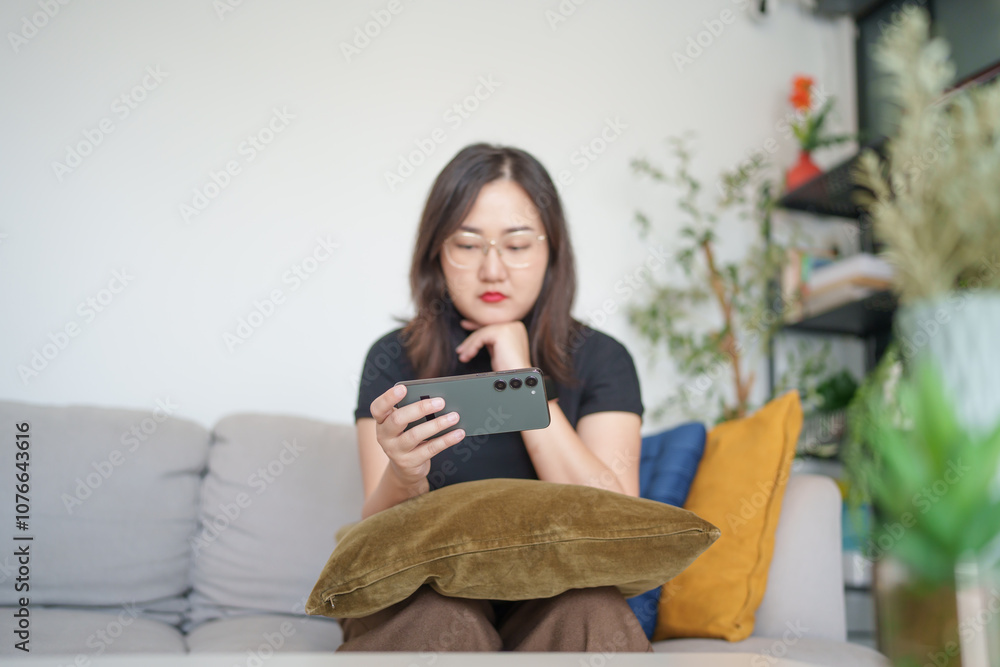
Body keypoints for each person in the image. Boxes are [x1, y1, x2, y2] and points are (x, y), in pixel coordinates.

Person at [339, 142, 653, 653]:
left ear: (552, 251)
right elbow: (373, 539)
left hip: (557, 589)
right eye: (467, 245)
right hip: (423, 589)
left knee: (592, 608)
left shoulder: (602, 358)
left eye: (517, 244)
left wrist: (523, 381)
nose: (492, 270)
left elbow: (617, 526)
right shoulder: (394, 357)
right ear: (436, 253)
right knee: (440, 618)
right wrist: (404, 474)